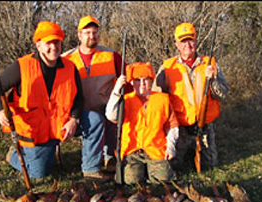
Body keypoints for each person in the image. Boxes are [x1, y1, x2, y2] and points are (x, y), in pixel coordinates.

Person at [0, 21, 84, 178]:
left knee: (94, 120)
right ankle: (14, 154)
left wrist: (74, 120)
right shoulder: (22, 66)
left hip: (58, 128)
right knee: (38, 173)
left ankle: (91, 167)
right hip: (33, 131)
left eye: (57, 42)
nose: (53, 47)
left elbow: (79, 98)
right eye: (49, 43)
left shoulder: (70, 67)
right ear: (38, 45)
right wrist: (1, 110)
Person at [62, 15, 133, 180]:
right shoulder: (67, 59)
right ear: (79, 35)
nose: (91, 36)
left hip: (106, 111)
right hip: (77, 114)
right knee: (95, 120)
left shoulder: (111, 55)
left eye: (94, 32)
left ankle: (110, 157)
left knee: (116, 113)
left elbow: (128, 83)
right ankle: (91, 168)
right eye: (87, 33)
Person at [152, 22, 229, 170]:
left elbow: (223, 93)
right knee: (175, 165)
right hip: (179, 127)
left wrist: (213, 80)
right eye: (182, 41)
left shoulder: (209, 63)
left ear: (196, 40)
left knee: (210, 165)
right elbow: (156, 98)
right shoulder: (167, 67)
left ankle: (197, 150)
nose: (187, 44)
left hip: (204, 125)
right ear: (176, 44)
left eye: (190, 40)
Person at [105, 62, 179, 184]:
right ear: (131, 82)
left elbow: (172, 126)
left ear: (151, 81)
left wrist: (170, 147)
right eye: (138, 80)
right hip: (132, 151)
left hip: (155, 148)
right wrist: (116, 90)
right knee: (131, 181)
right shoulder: (125, 100)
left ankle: (153, 170)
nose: (142, 84)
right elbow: (110, 115)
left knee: (163, 180)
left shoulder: (163, 99)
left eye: (146, 79)